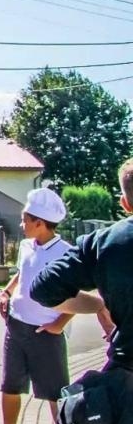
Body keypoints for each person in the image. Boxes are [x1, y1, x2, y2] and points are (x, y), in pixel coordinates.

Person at [0, 188, 103, 424]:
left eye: (25, 219)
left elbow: (75, 296)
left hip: (46, 333)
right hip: (16, 327)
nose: (21, 224)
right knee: (10, 385)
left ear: (39, 222)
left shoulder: (65, 254)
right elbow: (21, 273)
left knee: (55, 392)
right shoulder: (28, 246)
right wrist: (5, 293)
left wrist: (58, 324)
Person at [31, 159, 133, 373]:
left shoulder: (102, 244)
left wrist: (97, 305)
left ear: (125, 204)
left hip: (127, 376)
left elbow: (43, 290)